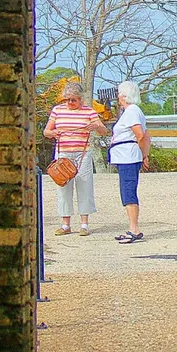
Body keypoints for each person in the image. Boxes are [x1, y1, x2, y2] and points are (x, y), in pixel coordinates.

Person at [42, 80, 108, 236]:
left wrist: (96, 126)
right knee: (63, 187)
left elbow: (104, 131)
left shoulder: (89, 112)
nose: (70, 103)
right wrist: (53, 133)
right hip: (63, 154)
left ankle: (84, 224)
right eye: (67, 100)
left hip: (82, 153)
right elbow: (46, 131)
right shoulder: (57, 110)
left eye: (73, 100)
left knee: (84, 186)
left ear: (80, 99)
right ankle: (65, 224)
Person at [108, 79, 151, 244]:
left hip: (128, 157)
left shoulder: (132, 111)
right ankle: (132, 227)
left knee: (128, 192)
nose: (118, 97)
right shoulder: (133, 112)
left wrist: (142, 154)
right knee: (127, 191)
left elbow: (141, 135)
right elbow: (146, 136)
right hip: (126, 157)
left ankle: (134, 229)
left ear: (124, 96)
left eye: (119, 94)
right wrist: (144, 155)